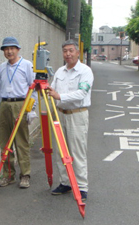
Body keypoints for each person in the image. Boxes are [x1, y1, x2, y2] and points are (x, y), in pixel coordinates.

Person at [47, 39, 94, 201]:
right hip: (61, 114)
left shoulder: (85, 71)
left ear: (77, 52)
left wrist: (59, 96)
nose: (68, 54)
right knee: (61, 151)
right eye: (65, 51)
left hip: (77, 114)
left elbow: (81, 93)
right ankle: (65, 182)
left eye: (71, 50)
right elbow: (52, 89)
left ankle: (82, 186)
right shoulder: (60, 71)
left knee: (77, 151)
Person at [0, 37, 36, 189]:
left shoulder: (26, 65)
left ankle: (25, 175)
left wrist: (31, 109)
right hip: (4, 104)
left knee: (21, 141)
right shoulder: (2, 67)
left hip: (20, 104)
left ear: (18, 49)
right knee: (5, 142)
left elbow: (33, 88)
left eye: (12, 48)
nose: (9, 51)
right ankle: (8, 175)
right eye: (6, 49)